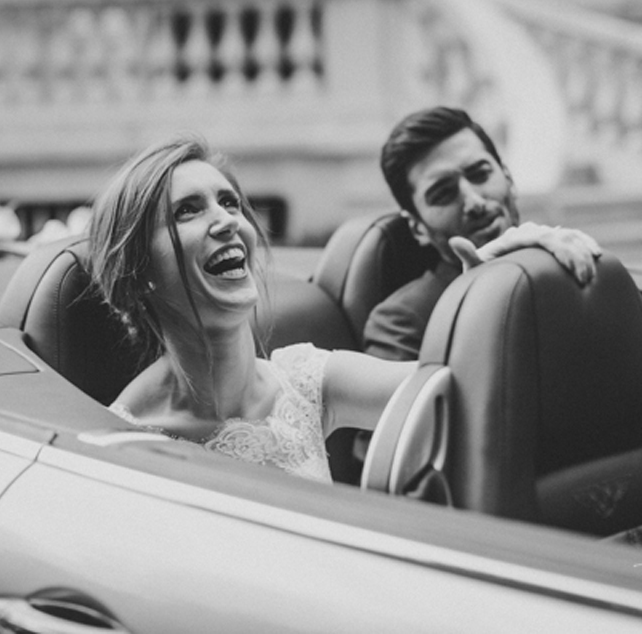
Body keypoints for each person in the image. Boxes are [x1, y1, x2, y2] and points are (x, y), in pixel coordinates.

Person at [90, 134, 416, 483]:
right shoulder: (121, 443)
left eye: (230, 203)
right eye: (187, 210)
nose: (229, 221)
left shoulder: (307, 384)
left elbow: (447, 392)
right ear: (139, 273)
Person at [363, 106, 642, 373]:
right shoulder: (401, 320)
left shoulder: (559, 265)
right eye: (442, 193)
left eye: (480, 174)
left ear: (508, 178)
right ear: (417, 226)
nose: (473, 201)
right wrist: (478, 308)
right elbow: (390, 451)